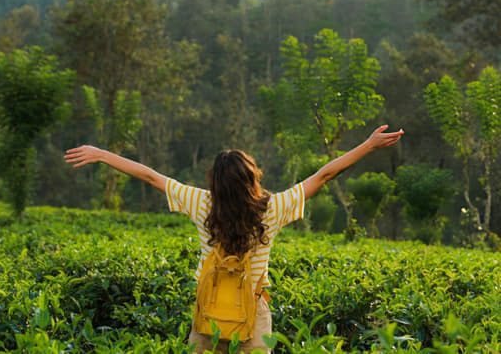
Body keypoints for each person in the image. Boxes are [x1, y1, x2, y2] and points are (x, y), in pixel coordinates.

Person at [65, 124, 403, 353]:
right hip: (254, 313)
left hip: (208, 310)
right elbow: (325, 174)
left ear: (215, 182)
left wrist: (101, 154)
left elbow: (151, 177)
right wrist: (369, 144)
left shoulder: (200, 203)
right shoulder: (274, 207)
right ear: (252, 177)